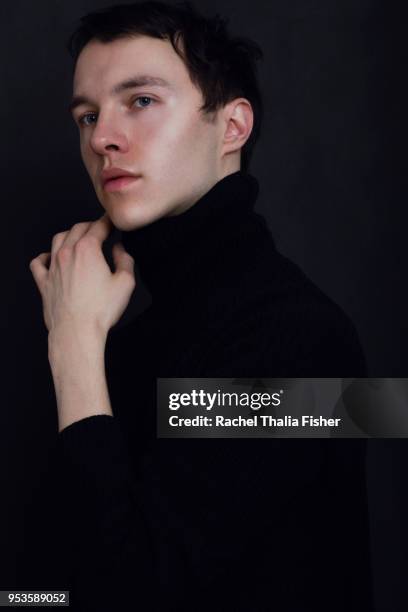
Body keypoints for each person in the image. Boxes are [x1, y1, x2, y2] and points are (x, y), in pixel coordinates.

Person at [28, 2, 374, 610]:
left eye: (140, 100)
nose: (103, 137)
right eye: (87, 115)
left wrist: (74, 345)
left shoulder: (303, 341)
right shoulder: (133, 340)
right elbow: (48, 588)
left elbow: (125, 593)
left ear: (233, 126)